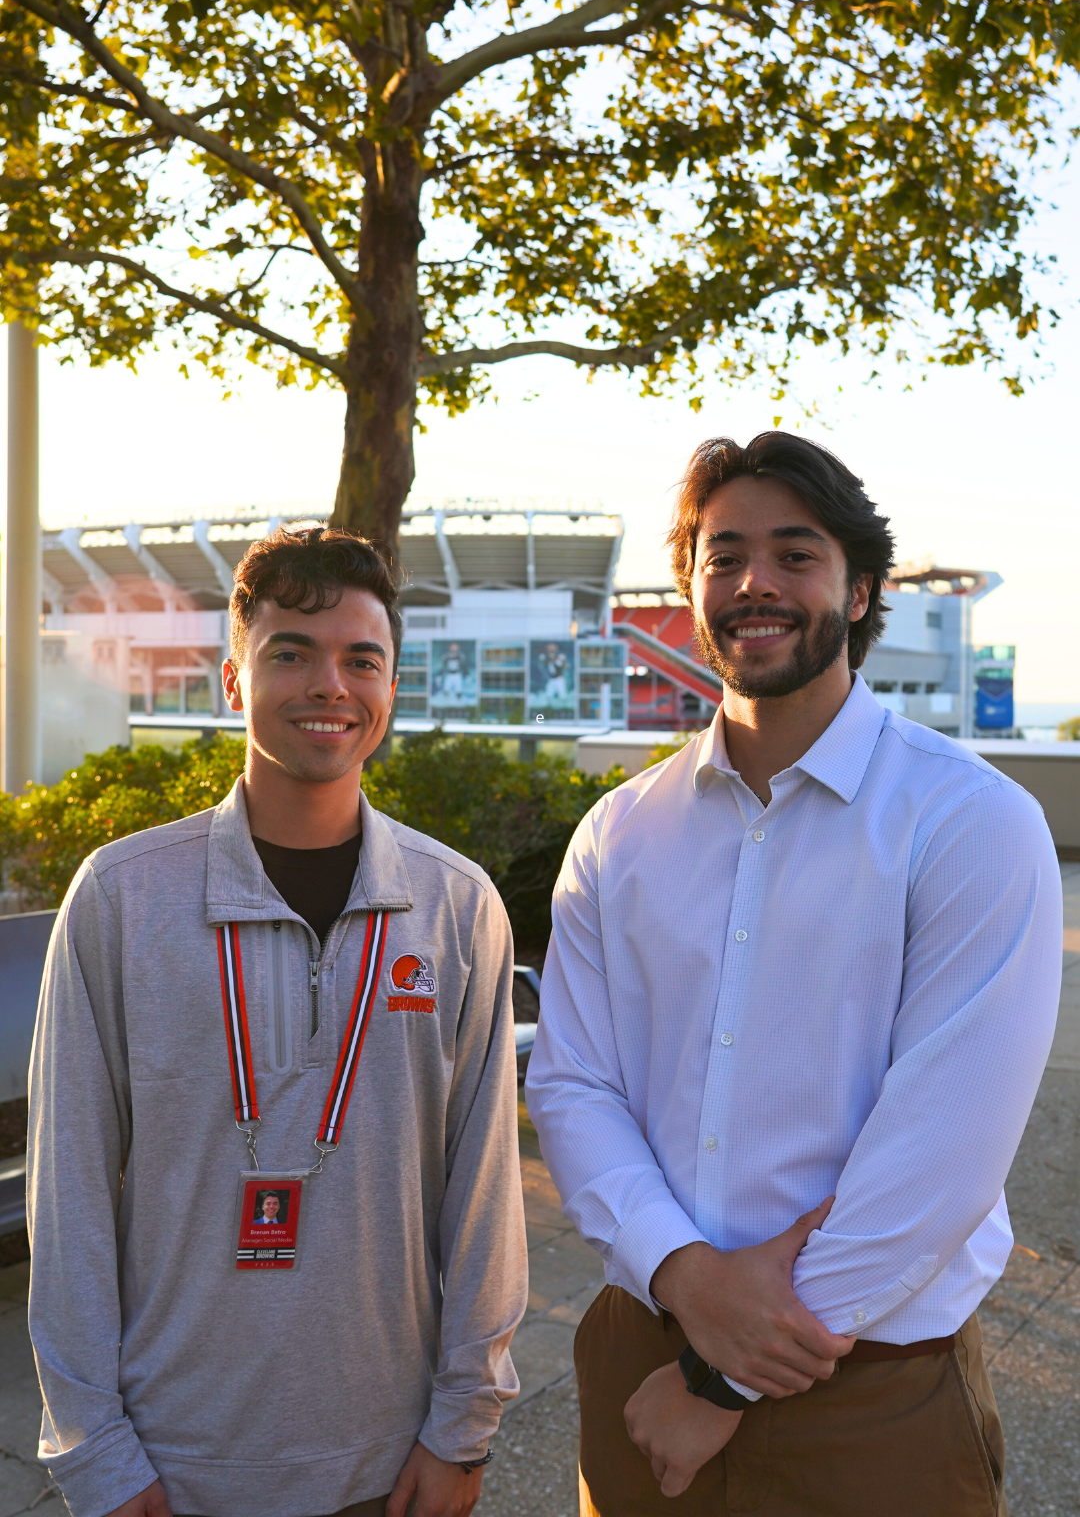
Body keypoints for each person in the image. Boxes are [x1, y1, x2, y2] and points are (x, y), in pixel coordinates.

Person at [526, 432, 1062, 1517]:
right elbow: (574, 1085)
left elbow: (941, 1151)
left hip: (869, 1401)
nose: (754, 583)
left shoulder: (969, 821)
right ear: (691, 585)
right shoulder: (620, 834)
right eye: (724, 556)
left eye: (795, 554)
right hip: (641, 1358)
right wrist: (681, 1273)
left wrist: (724, 1377)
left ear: (860, 588)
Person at [28, 527, 527, 1517]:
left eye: (360, 658)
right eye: (290, 651)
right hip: (174, 1464)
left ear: (392, 683)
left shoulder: (456, 906)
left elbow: (484, 1194)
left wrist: (464, 1423)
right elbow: (69, 1193)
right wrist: (96, 1451)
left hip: (388, 1464)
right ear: (231, 678)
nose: (328, 684)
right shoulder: (122, 900)